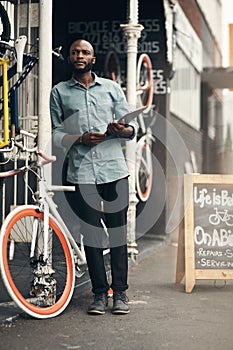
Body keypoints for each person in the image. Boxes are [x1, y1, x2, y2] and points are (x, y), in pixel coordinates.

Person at [50, 39, 138, 315]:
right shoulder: (59, 92)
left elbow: (132, 128)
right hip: (82, 172)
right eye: (75, 51)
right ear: (69, 57)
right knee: (91, 234)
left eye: (85, 52)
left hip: (114, 170)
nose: (79, 55)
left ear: (93, 58)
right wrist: (79, 138)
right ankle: (99, 294)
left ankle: (120, 293)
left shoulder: (111, 89)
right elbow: (53, 134)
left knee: (117, 234)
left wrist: (118, 129)